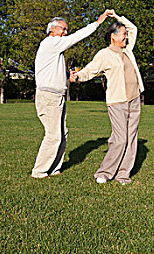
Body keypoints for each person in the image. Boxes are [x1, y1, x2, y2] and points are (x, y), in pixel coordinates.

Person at [32, 11, 111, 179]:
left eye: (66, 30)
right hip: (49, 96)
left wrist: (68, 75)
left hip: (57, 96)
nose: (66, 33)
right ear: (53, 29)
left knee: (62, 133)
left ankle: (54, 168)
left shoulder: (55, 50)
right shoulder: (51, 42)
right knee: (53, 135)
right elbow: (77, 37)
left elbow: (52, 71)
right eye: (63, 29)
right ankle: (39, 171)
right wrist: (97, 23)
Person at [70, 10, 144, 185]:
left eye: (126, 35)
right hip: (117, 101)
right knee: (120, 139)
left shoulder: (128, 50)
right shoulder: (104, 54)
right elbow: (91, 69)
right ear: (113, 36)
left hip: (134, 99)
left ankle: (123, 174)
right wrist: (78, 76)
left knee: (131, 139)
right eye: (123, 35)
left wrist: (117, 16)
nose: (126, 38)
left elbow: (133, 28)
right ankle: (104, 172)